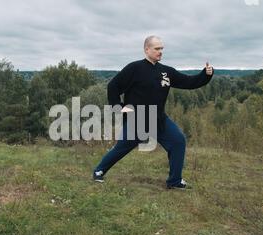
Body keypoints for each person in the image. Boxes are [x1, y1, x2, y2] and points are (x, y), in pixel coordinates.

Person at [92, 35, 214, 190]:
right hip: (138, 119)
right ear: (146, 49)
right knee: (122, 148)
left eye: (162, 48)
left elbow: (189, 82)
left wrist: (206, 75)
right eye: (157, 48)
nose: (160, 52)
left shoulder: (166, 72)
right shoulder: (134, 68)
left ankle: (174, 181)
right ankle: (99, 171)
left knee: (178, 141)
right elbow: (113, 86)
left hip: (158, 118)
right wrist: (118, 107)